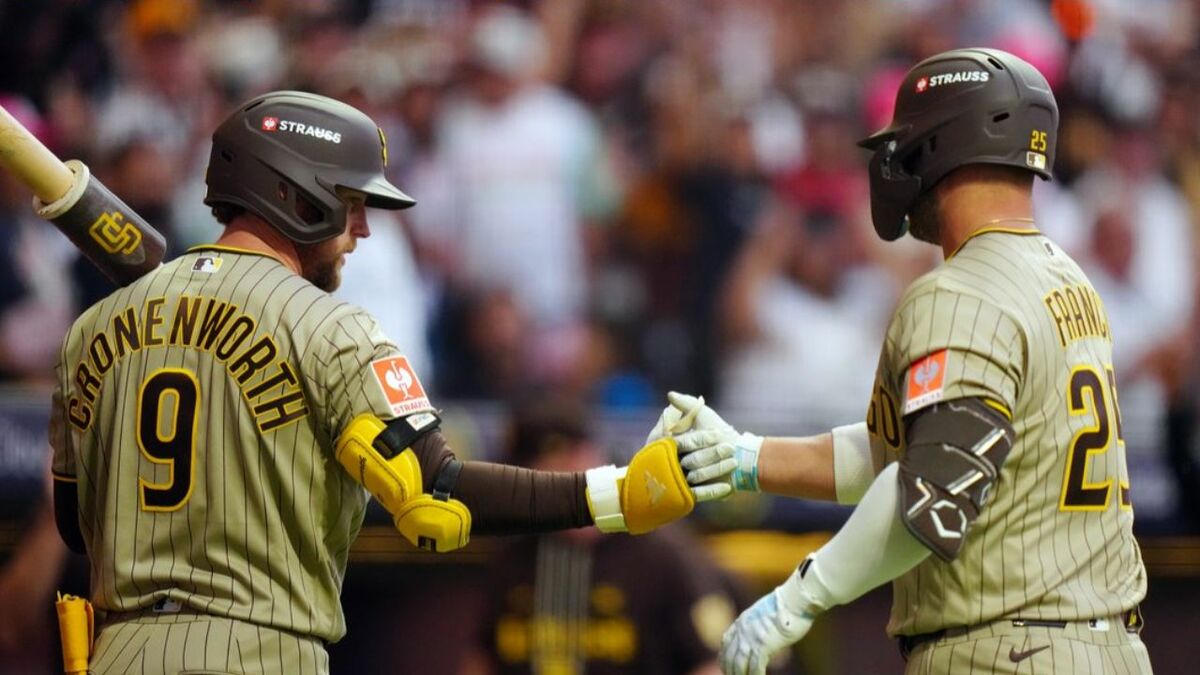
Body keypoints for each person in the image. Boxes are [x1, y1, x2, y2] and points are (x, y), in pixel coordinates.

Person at [48, 90, 706, 675]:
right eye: (351, 203)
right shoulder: (331, 328)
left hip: (117, 651)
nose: (361, 230)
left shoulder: (91, 330)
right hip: (259, 651)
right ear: (294, 195)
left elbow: (76, 524)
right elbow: (436, 495)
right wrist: (612, 492)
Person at [649, 48, 1152, 674]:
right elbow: (936, 447)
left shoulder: (960, 291)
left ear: (943, 146)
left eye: (910, 145)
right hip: (1106, 650)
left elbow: (932, 489)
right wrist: (749, 459)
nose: (897, 164)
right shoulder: (1066, 278)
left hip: (1002, 651)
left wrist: (795, 600)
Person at [462, 398, 735, 675]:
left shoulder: (662, 553)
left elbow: (716, 664)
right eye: (546, 475)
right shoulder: (514, 556)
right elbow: (482, 660)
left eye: (572, 462)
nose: (565, 475)